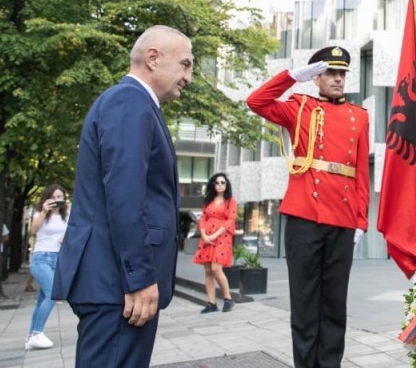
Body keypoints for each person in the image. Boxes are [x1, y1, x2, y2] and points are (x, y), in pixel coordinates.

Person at [53, 25, 193, 368]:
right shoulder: (129, 102)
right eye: (186, 64)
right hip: (118, 286)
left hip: (113, 283)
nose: (189, 77)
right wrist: (140, 277)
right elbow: (125, 195)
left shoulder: (132, 104)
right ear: (153, 58)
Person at [246, 45, 370, 368]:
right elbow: (255, 101)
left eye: (342, 73)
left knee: (334, 305)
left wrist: (361, 221)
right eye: (331, 72)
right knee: (304, 303)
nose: (338, 79)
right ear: (316, 77)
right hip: (304, 218)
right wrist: (291, 77)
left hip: (342, 220)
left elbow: (361, 174)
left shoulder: (360, 117)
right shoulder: (299, 108)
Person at [25, 184, 69, 350]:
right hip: (41, 258)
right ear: (47, 199)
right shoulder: (40, 214)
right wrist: (44, 211)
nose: (58, 200)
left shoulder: (67, 215)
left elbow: (74, 231)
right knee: (52, 294)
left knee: (42, 299)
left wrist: (66, 237)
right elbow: (33, 231)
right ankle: (37, 333)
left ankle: (31, 337)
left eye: (60, 197)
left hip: (58, 258)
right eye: (54, 197)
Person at [192, 172, 237, 313]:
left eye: (223, 182)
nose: (220, 185)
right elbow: (203, 218)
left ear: (226, 185)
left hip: (222, 237)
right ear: (213, 184)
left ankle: (228, 299)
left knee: (216, 269)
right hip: (207, 237)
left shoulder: (231, 201)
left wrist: (214, 236)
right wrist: (205, 235)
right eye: (217, 182)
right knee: (208, 271)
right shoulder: (208, 201)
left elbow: (230, 220)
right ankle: (211, 303)